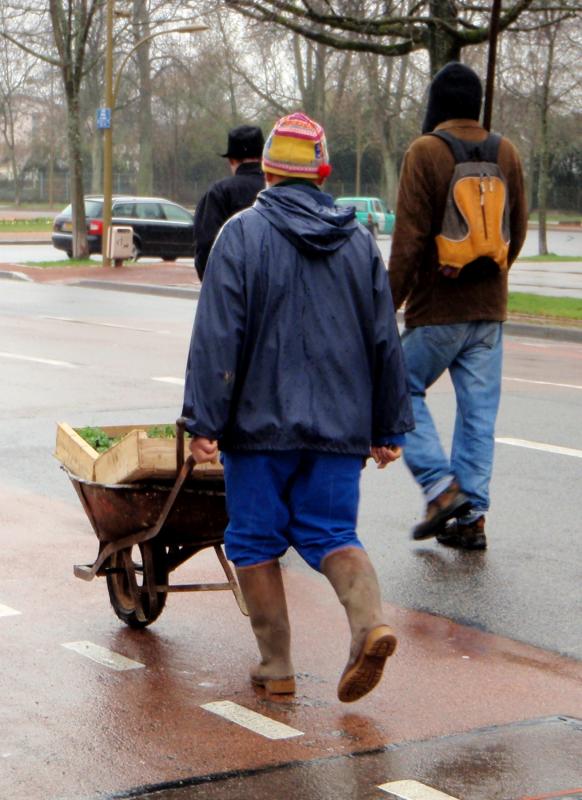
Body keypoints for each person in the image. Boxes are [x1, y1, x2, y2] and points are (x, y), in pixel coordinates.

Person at [182, 112, 413, 702]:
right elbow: (384, 338)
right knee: (333, 530)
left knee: (255, 542)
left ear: (267, 172)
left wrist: (203, 421)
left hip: (258, 429)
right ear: (323, 173)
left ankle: (276, 666)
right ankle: (369, 624)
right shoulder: (359, 241)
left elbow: (218, 336)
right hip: (340, 428)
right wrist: (388, 425)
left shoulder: (240, 235)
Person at [388, 62, 528, 550]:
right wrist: (491, 275)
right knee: (478, 415)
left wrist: (388, 304)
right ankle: (472, 519)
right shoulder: (505, 151)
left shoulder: (424, 152)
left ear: (436, 106)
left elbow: (407, 240)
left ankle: (439, 488)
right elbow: (520, 228)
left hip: (437, 310)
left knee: (397, 387)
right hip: (490, 311)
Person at [193, 124, 265, 281]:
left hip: (231, 286)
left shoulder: (219, 193)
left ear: (232, 160)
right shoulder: (275, 190)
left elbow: (206, 247)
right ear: (262, 157)